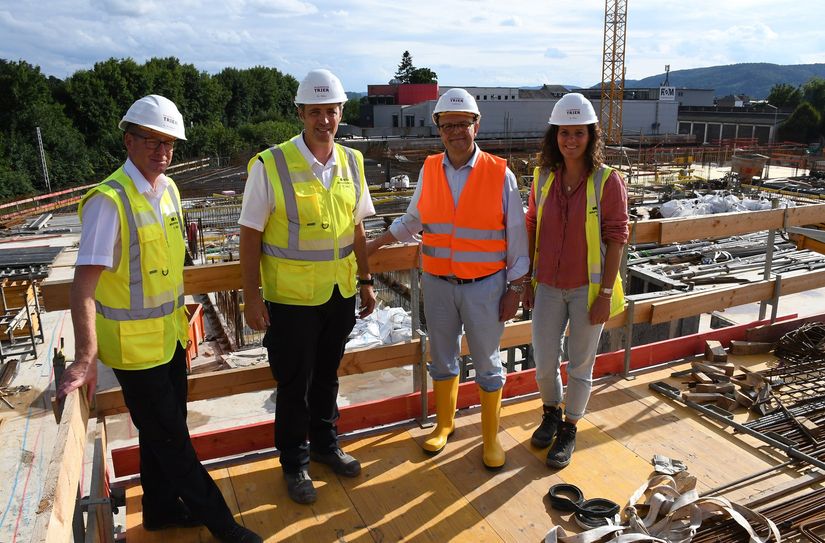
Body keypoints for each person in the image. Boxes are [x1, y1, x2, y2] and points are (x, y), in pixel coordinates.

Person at [56, 95, 261, 542]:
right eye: (151, 141)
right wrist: (86, 356)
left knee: (161, 436)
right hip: (133, 353)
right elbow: (82, 286)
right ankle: (226, 528)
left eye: (169, 143)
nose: (162, 151)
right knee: (173, 442)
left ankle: (161, 510)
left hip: (169, 340)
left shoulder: (169, 190)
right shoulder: (109, 202)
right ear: (129, 141)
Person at [367, 88, 529, 470]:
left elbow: (517, 237)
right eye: (448, 125)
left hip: (486, 287)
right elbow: (413, 221)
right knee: (441, 358)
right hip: (438, 285)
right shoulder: (429, 169)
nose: (456, 131)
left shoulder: (499, 173)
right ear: (438, 128)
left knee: (488, 364)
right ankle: (444, 424)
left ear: (476, 125)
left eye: (463, 124)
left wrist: (516, 288)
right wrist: (374, 245)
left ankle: (490, 439)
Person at [239, 69, 376, 505]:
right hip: (291, 299)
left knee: (328, 378)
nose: (324, 120)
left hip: (338, 294)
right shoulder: (271, 164)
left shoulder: (351, 162)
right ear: (301, 113)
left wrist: (367, 280)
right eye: (315, 112)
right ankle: (295, 463)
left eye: (331, 111)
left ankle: (325, 444)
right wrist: (251, 296)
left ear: (341, 112)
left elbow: (357, 229)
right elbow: (249, 235)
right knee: (295, 385)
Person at [523, 92, 628, 469]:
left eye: (578, 133)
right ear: (554, 136)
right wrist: (526, 281)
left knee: (580, 365)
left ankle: (569, 427)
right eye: (564, 133)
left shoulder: (607, 181)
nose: (570, 140)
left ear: (591, 135)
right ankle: (551, 411)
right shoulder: (542, 177)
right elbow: (532, 225)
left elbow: (617, 238)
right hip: (547, 287)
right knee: (545, 361)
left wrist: (603, 295)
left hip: (587, 290)